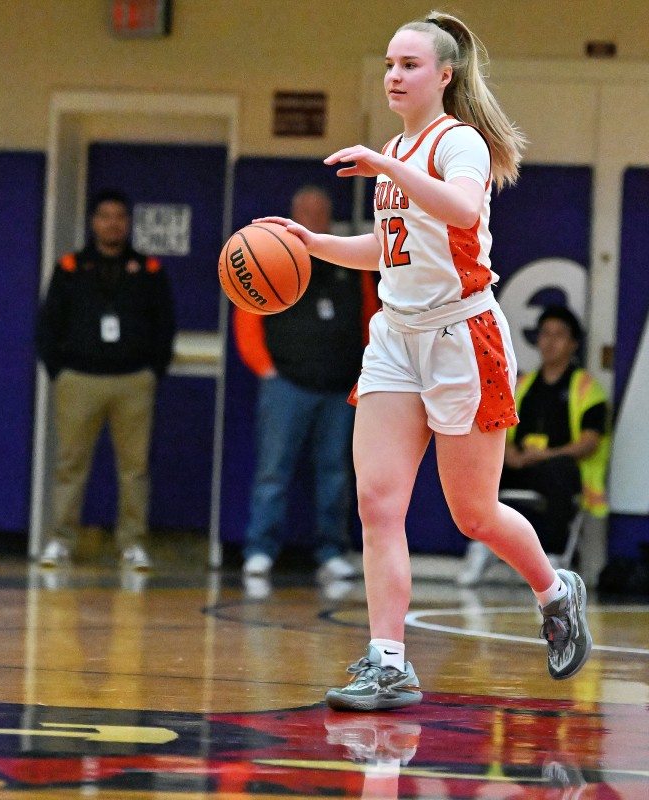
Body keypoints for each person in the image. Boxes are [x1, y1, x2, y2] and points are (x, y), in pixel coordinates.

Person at [255, 11, 592, 711]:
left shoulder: (456, 143)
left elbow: (464, 213)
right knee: (378, 504)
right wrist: (311, 241)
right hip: (394, 337)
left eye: (409, 64)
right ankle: (388, 662)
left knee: (473, 513)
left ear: (445, 74)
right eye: (388, 64)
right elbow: (389, 251)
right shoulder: (395, 154)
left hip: (460, 336)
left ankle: (554, 590)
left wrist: (388, 164)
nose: (394, 76)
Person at [235, 185, 379, 586]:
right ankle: (260, 549)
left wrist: (366, 369)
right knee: (273, 471)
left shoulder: (348, 260)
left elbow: (370, 316)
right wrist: (265, 369)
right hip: (287, 385)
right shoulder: (269, 256)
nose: (314, 219)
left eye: (321, 212)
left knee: (335, 472)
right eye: (307, 212)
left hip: (339, 388)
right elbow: (248, 317)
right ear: (293, 214)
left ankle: (331, 552)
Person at [35, 189, 175, 572]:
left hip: (133, 381)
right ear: (93, 222)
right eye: (105, 216)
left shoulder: (148, 270)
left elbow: (165, 326)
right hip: (79, 380)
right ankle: (61, 540)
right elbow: (48, 325)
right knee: (70, 464)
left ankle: (132, 544)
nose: (112, 223)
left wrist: (151, 371)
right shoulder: (69, 268)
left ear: (127, 224)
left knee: (134, 469)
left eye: (119, 217)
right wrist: (59, 372)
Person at [458, 305, 610, 586]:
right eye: (545, 334)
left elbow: (590, 441)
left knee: (557, 471)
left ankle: (552, 558)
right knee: (482, 466)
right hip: (524, 465)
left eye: (559, 335)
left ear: (573, 344)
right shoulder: (523, 385)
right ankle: (484, 545)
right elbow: (499, 429)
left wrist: (547, 455)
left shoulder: (587, 387)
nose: (550, 342)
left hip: (560, 469)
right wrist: (511, 453)